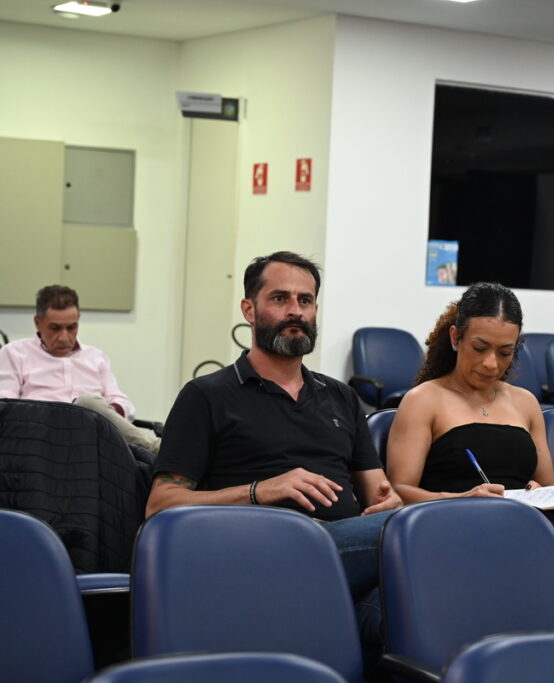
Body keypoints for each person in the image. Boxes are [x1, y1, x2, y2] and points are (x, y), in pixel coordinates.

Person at [146, 251, 403, 639]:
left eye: (305, 300)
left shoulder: (341, 397)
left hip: (343, 550)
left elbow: (379, 495)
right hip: (260, 550)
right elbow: (160, 504)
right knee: (423, 534)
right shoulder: (207, 395)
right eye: (280, 298)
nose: (295, 310)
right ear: (249, 310)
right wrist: (260, 491)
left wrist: (390, 502)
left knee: (408, 608)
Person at [385, 282, 554, 627]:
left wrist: (537, 492)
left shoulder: (525, 402)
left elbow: (547, 486)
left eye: (505, 352)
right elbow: (399, 490)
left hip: (531, 524)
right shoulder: (424, 400)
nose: (491, 363)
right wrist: (461, 499)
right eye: (480, 348)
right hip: (458, 526)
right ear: (455, 338)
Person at [0, 284, 160, 453]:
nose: (64, 337)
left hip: (93, 438)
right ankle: (158, 449)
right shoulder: (14, 353)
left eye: (71, 328)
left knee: (89, 404)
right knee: (86, 403)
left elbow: (124, 404)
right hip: (41, 436)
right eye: (55, 328)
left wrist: (105, 413)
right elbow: (5, 406)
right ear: (38, 323)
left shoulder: (95, 357)